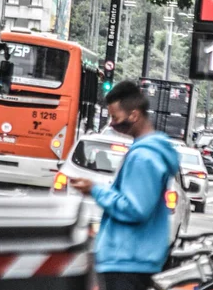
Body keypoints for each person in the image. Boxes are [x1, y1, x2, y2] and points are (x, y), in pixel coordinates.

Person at [71, 81, 180, 290]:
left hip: (127, 260)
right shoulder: (148, 152)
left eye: (114, 117)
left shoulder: (144, 158)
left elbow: (135, 209)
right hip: (133, 257)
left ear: (134, 115)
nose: (112, 124)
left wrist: (95, 189)